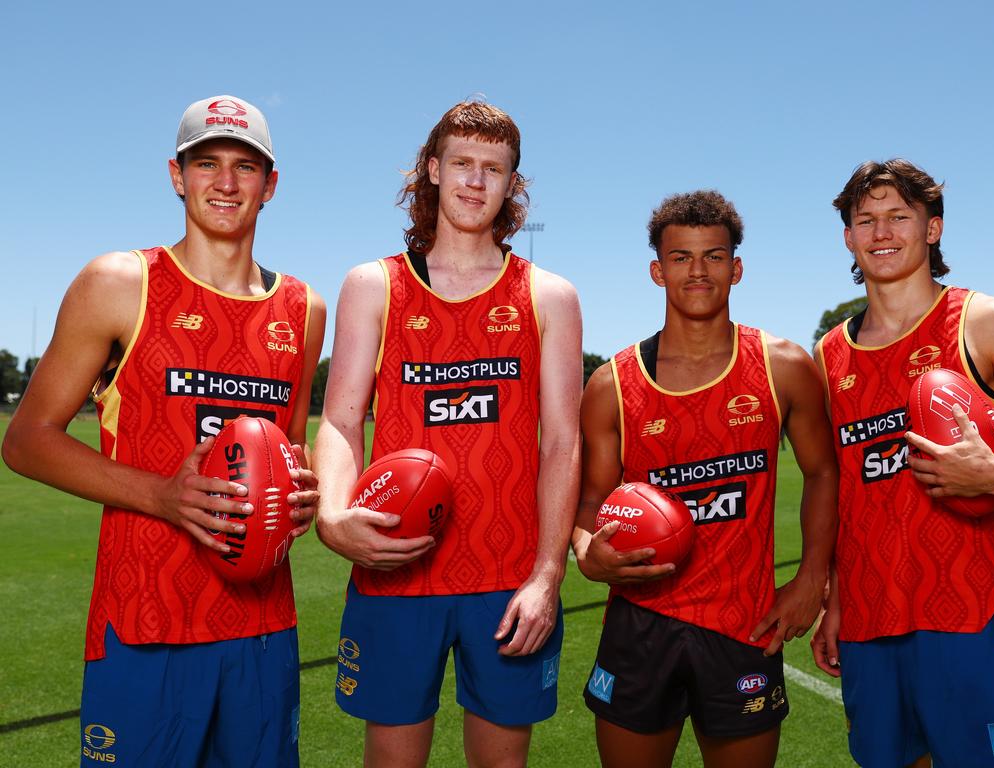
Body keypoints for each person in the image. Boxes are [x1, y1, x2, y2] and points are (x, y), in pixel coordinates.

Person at [1, 94, 326, 767]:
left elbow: (288, 449)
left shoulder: (303, 308)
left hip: (263, 628)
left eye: (245, 167)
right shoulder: (119, 281)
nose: (227, 183)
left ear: (271, 184)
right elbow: (27, 438)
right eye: (206, 164)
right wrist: (163, 496)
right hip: (146, 622)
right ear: (177, 176)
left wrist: (302, 494)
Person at [313, 101, 582, 767]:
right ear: (432, 170)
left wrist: (548, 575)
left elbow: (562, 443)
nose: (474, 180)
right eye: (461, 162)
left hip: (508, 579)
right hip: (397, 569)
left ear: (512, 186)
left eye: (493, 169)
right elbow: (342, 420)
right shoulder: (371, 286)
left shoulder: (549, 296)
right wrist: (331, 515)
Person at [572, 191, 837, 768]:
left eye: (714, 256)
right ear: (656, 269)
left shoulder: (783, 365)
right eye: (681, 257)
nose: (697, 271)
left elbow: (822, 472)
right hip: (641, 623)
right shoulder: (612, 384)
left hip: (744, 625)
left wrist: (812, 578)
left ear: (736, 268)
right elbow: (591, 498)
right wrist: (587, 550)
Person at [811, 158, 994, 767]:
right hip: (868, 624)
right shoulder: (830, 355)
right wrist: (834, 598)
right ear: (848, 237)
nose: (882, 233)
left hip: (968, 619)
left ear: (932, 228)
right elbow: (842, 492)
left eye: (899, 217)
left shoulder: (986, 321)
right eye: (866, 220)